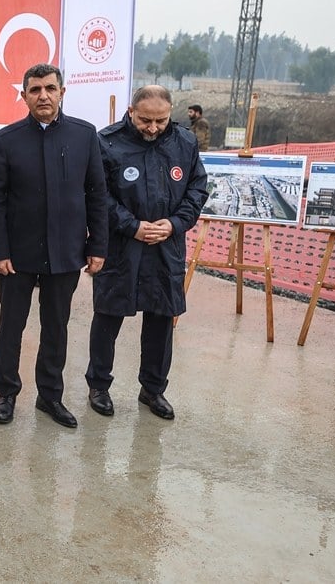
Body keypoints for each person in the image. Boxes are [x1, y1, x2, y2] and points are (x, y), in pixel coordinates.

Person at [0, 63, 108, 429]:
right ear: (23, 96)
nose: (43, 96)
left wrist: (97, 245)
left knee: (57, 326)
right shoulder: (7, 140)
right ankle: (6, 394)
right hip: (17, 254)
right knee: (11, 326)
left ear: (62, 92)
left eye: (50, 88)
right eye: (35, 90)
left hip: (66, 251)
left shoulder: (85, 136)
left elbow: (97, 194)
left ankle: (50, 396)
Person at [86, 85, 208, 420]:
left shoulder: (185, 142)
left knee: (161, 320)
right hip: (122, 245)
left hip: (165, 246)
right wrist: (131, 225)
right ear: (130, 111)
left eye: (160, 121)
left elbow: (197, 189)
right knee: (108, 315)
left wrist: (174, 224)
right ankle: (99, 385)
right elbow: (98, 195)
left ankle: (153, 389)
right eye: (145, 120)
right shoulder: (107, 142)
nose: (153, 128)